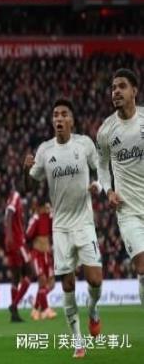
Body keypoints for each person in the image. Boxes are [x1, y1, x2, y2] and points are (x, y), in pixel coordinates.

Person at [24, 99, 103, 359]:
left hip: (84, 223)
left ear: (72, 120)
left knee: (95, 280)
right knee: (67, 285)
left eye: (64, 114)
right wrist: (25, 171)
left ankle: (93, 311)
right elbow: (29, 185)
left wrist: (98, 186)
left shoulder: (84, 144)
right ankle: (78, 342)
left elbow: (101, 169)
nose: (58, 118)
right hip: (60, 228)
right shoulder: (44, 150)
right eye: (55, 115)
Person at [96, 68, 144, 306]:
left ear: (134, 91)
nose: (116, 91)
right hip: (128, 210)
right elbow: (101, 166)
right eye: (113, 87)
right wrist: (108, 190)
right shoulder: (106, 130)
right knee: (142, 265)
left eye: (122, 86)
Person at [4, 186, 35, 322]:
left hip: (13, 241)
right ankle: (14, 305)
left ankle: (14, 314)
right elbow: (9, 215)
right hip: (17, 242)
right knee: (31, 272)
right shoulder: (16, 196)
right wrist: (10, 236)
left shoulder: (13, 197)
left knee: (15, 278)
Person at [26, 202, 57, 321]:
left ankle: (35, 308)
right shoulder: (36, 218)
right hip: (37, 254)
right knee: (42, 280)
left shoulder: (49, 218)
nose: (48, 209)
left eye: (49, 207)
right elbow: (28, 235)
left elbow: (55, 229)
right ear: (41, 207)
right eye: (47, 207)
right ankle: (46, 309)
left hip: (46, 254)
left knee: (51, 283)